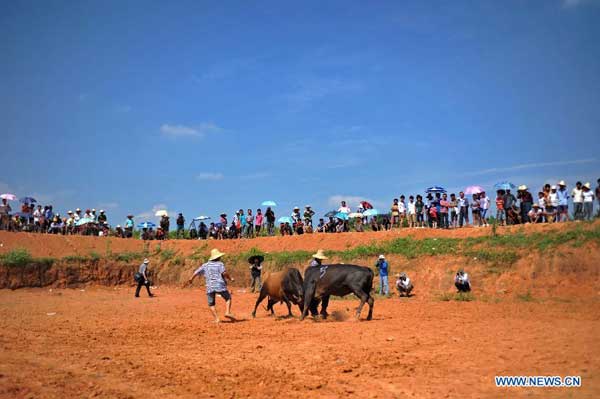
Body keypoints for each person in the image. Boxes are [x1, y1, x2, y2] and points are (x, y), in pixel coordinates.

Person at [188, 249, 235, 323]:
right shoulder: (220, 264)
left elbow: (196, 272)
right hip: (220, 285)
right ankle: (227, 312)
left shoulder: (205, 265)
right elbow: (224, 273)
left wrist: (191, 279)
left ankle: (217, 319)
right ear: (218, 257)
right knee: (228, 298)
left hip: (209, 287)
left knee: (211, 304)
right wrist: (230, 278)